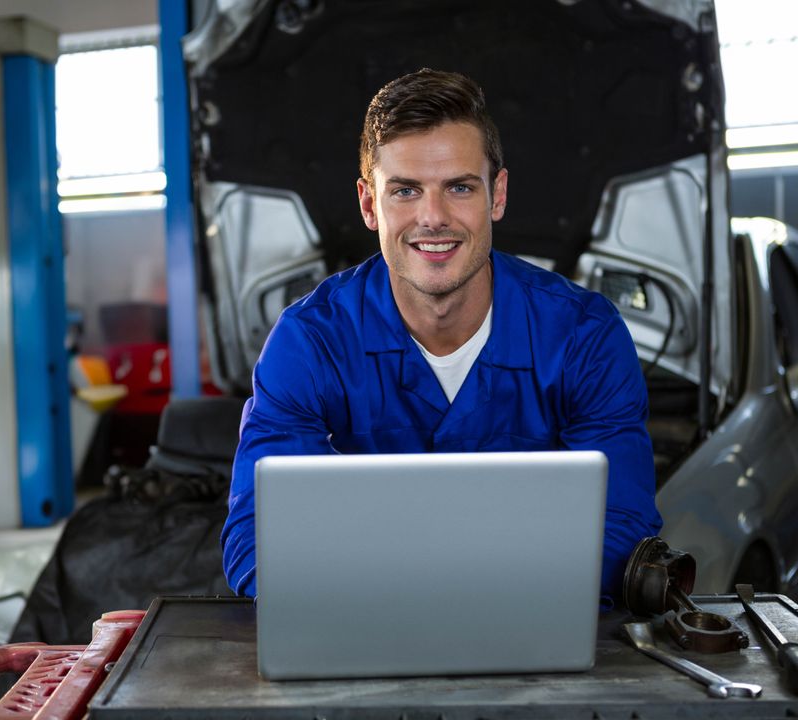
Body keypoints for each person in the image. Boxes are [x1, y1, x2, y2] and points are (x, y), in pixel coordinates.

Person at [221, 68, 661, 603]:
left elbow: (621, 525)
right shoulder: (309, 344)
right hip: (360, 639)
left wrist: (471, 610)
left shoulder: (584, 337)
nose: (433, 218)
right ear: (368, 205)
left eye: (459, 187)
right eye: (405, 190)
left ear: (496, 195)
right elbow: (257, 537)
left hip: (533, 645)